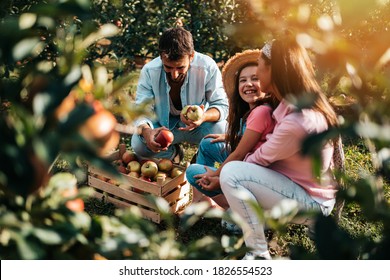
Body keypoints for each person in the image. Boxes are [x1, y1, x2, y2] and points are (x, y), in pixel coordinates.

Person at [219, 36, 340, 260]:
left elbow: (258, 159)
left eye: (260, 67)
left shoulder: (297, 120)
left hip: (312, 202)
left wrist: (221, 177)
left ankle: (257, 254)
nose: (258, 72)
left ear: (272, 72)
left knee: (231, 173)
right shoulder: (294, 102)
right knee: (230, 217)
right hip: (300, 187)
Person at [185, 49, 278, 210]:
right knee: (208, 143)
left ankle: (232, 208)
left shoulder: (261, 112)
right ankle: (202, 201)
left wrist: (216, 175)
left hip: (253, 173)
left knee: (193, 172)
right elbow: (253, 138)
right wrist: (229, 136)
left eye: (255, 78)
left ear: (265, 81)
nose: (248, 84)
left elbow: (239, 154)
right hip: (248, 164)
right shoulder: (251, 111)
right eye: (243, 80)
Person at [131, 27, 229, 161]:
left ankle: (201, 157)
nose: (174, 74)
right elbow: (141, 109)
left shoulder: (207, 67)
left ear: (191, 56)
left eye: (180, 67)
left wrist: (203, 117)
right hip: (163, 126)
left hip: (198, 126)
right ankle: (173, 155)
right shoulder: (150, 71)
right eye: (168, 67)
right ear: (161, 57)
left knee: (224, 132)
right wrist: (147, 132)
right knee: (138, 145)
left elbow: (222, 105)